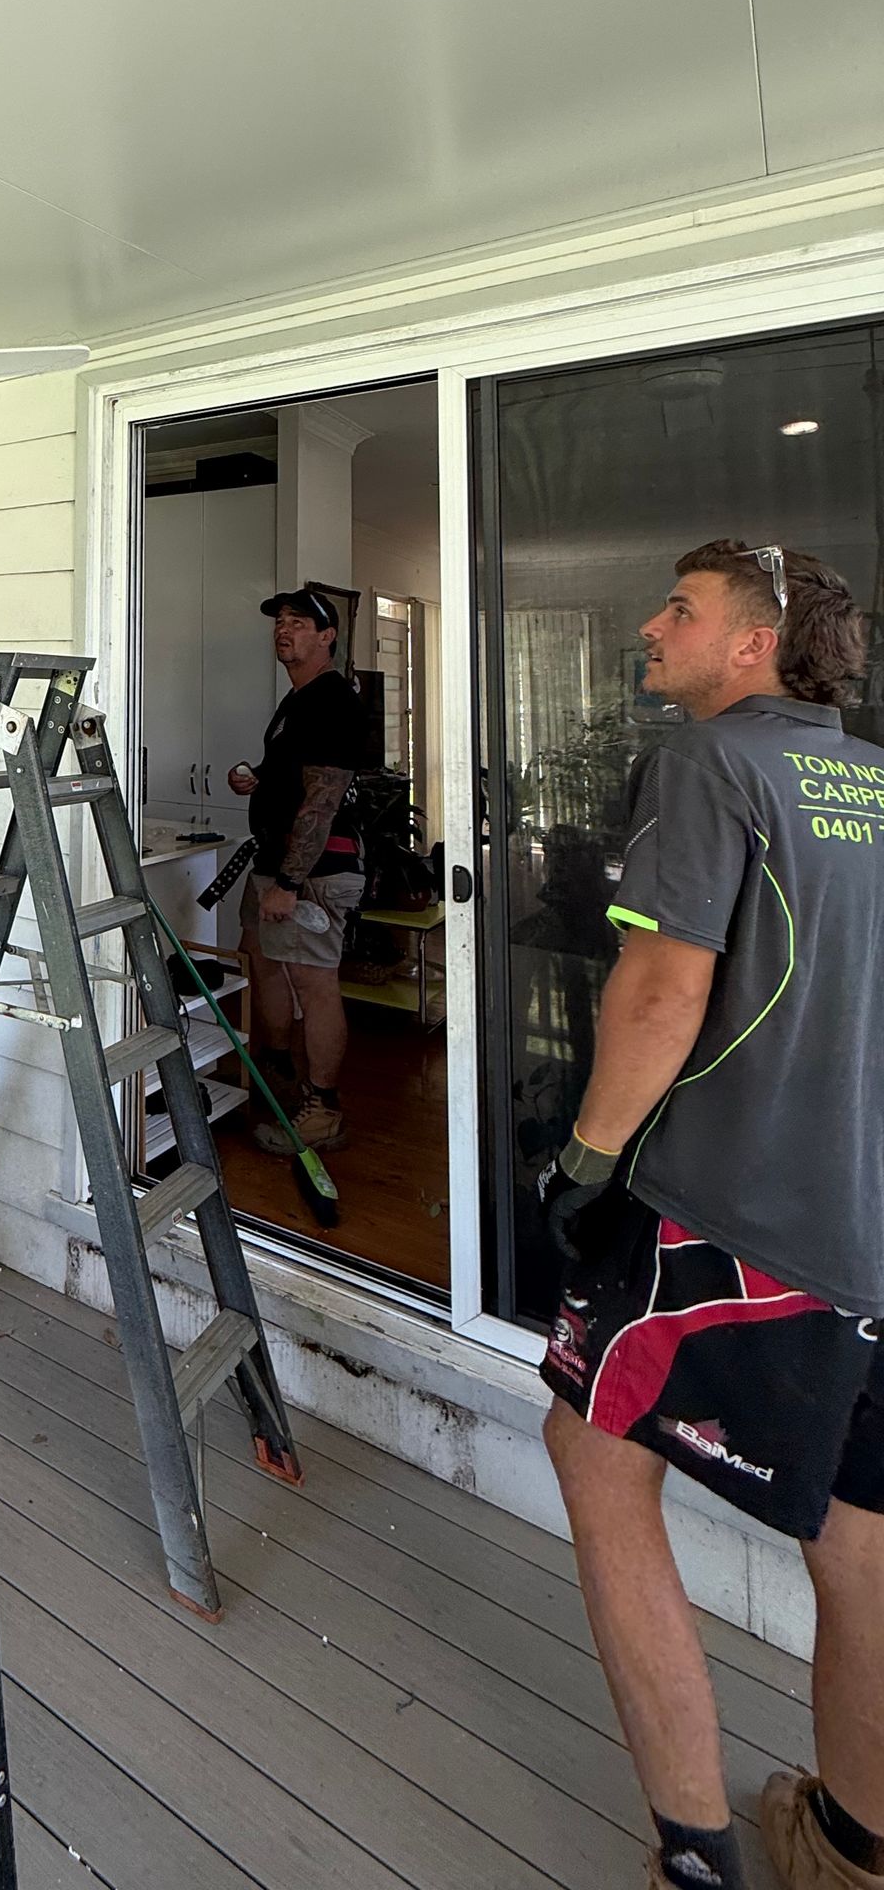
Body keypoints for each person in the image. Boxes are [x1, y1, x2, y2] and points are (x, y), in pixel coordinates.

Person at [536, 541, 884, 1890]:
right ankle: (850, 1849)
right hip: (862, 1224)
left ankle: (694, 1858)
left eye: (680, 609)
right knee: (857, 1528)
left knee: (593, 1456)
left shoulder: (712, 762)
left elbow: (661, 990)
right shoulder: (871, 781)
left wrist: (584, 1161)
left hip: (732, 1215)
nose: (650, 624)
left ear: (753, 645)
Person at [226, 585, 365, 1154]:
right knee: (263, 961)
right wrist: (256, 779)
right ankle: (280, 1071)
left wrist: (288, 883)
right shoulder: (298, 700)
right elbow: (294, 776)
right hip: (275, 862)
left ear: (327, 636)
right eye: (280, 621)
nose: (284, 630)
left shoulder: (331, 700)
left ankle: (324, 1110)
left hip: (312, 872)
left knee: (314, 982)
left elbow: (323, 801)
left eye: (299, 623)